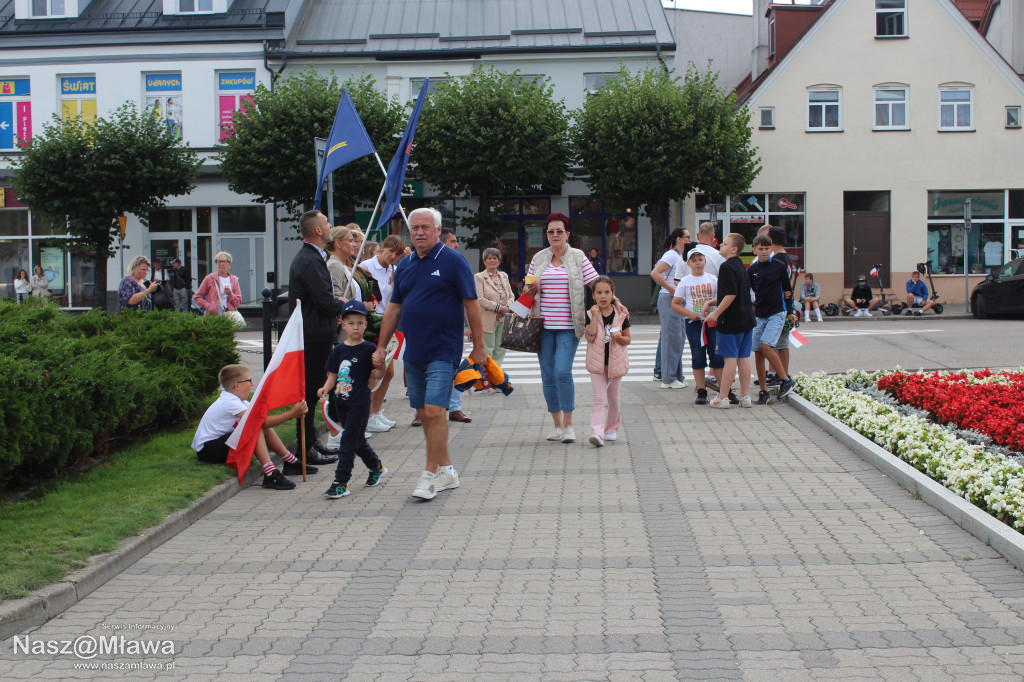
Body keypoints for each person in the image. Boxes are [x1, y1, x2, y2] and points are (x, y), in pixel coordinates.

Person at [373, 207, 485, 501]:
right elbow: (394, 308)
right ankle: (447, 470)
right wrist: (382, 346)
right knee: (424, 414)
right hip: (414, 351)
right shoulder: (406, 264)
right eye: (414, 228)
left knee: (436, 411)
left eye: (425, 227)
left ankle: (429, 476)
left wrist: (480, 347)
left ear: (437, 230)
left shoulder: (453, 261)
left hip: (443, 349)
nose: (419, 232)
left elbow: (471, 303)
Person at [525, 212, 600, 443]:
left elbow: (595, 283)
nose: (555, 235)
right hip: (542, 326)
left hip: (569, 326)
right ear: (546, 234)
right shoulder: (538, 258)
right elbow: (527, 292)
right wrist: (531, 289)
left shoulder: (578, 257)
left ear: (567, 234)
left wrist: (611, 302)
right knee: (547, 374)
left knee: (562, 371)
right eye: (550, 231)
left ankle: (569, 426)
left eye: (559, 231)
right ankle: (557, 425)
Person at [191, 364, 309, 490]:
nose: (252, 384)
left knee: (255, 423)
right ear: (237, 385)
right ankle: (270, 474)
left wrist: (292, 415)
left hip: (216, 445)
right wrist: (291, 414)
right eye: (249, 380)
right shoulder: (230, 402)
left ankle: (291, 462)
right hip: (208, 450)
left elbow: (264, 421)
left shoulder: (238, 400)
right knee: (253, 425)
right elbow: (260, 422)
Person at [288, 209, 344, 466]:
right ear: (318, 231)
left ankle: (310, 441)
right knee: (310, 391)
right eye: (326, 222)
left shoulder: (314, 257)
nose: (330, 225)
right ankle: (305, 446)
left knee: (312, 390)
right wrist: (345, 306)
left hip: (316, 333)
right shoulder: (309, 259)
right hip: (312, 335)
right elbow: (323, 300)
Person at [317, 299, 388, 499]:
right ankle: (376, 466)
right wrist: (325, 388)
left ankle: (341, 482)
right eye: (350, 323)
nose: (355, 327)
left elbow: (377, 376)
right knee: (356, 442)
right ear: (342, 324)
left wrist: (380, 366)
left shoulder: (368, 350)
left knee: (347, 443)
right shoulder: (338, 350)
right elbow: (332, 375)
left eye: (359, 323)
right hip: (341, 402)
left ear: (365, 324)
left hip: (360, 403)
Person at [360, 234, 406, 432]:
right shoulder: (367, 266)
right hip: (372, 324)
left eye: (397, 254)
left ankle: (375, 412)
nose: (393, 256)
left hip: (387, 323)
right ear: (382, 248)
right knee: (375, 373)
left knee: (388, 373)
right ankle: (369, 415)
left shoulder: (394, 269)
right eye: (390, 252)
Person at [704, 234, 755, 409]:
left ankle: (723, 397)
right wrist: (712, 302)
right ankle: (745, 396)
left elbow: (730, 294)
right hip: (747, 318)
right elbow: (736, 293)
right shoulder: (742, 266)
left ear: (734, 249)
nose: (721, 245)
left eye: (725, 244)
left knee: (730, 358)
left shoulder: (726, 267)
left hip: (731, 321)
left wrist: (715, 314)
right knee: (743, 357)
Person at [747, 234, 797, 405]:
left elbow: (787, 290)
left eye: (767, 249)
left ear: (772, 250)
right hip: (759, 313)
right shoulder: (752, 270)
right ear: (754, 250)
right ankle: (763, 391)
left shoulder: (779, 266)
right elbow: (751, 292)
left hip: (777, 312)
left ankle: (785, 379)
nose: (763, 252)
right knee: (758, 352)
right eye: (760, 249)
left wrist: (790, 310)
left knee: (766, 346)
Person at [672, 248, 724, 406]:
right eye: (694, 261)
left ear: (705, 261)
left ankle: (724, 391)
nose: (697, 263)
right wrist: (690, 314)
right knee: (697, 356)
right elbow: (675, 304)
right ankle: (702, 390)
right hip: (694, 324)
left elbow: (721, 298)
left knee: (717, 356)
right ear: (688, 264)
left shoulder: (713, 279)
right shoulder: (685, 281)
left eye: (700, 259)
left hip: (713, 323)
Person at [584, 276, 630, 447]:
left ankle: (611, 429)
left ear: (612, 294)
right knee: (599, 399)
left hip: (616, 363)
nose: (603, 296)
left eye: (606, 292)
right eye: (599, 293)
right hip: (597, 364)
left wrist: (619, 338)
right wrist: (594, 317)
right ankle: (597, 432)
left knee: (614, 399)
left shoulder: (621, 315)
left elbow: (628, 339)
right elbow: (589, 337)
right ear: (594, 296)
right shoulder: (590, 314)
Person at [440, 228, 473, 423]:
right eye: (453, 241)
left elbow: (469, 299)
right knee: (425, 369)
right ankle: (420, 411)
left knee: (454, 368)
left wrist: (470, 327)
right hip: (426, 329)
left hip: (452, 328)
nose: (457, 245)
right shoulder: (423, 263)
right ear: (443, 243)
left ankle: (454, 408)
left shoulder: (458, 264)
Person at [650, 227, 688, 389]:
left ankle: (676, 375)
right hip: (668, 298)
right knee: (671, 338)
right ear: (678, 239)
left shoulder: (679, 256)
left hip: (676, 299)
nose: (689, 239)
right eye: (687, 237)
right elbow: (655, 273)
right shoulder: (671, 255)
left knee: (678, 337)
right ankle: (668, 378)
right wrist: (672, 289)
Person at [474, 246, 515, 384]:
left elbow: (511, 295)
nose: (492, 261)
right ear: (484, 261)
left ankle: (496, 379)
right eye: (489, 258)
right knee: (488, 350)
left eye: (495, 258)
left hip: (503, 319)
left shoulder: (504, 276)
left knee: (500, 350)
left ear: (499, 261)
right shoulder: (479, 277)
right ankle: (486, 382)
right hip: (488, 319)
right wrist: (499, 307)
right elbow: (480, 299)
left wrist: (508, 306)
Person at [194, 251, 242, 316]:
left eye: (224, 261)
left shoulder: (234, 280)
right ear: (216, 264)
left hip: (230, 317)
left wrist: (230, 294)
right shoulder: (209, 278)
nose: (221, 264)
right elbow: (198, 297)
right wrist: (208, 306)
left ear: (229, 264)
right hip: (212, 317)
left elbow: (238, 302)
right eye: (219, 261)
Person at [326, 225, 362, 303]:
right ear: (338, 243)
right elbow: (336, 299)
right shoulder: (334, 265)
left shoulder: (341, 265)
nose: (354, 245)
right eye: (350, 241)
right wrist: (362, 306)